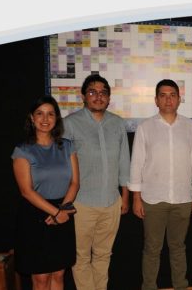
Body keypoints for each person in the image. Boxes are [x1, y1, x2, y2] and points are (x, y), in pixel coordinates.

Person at [129, 79, 192, 290]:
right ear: (156, 100)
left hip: (183, 198)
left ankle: (180, 286)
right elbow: (137, 163)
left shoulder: (190, 127)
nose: (168, 100)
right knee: (152, 249)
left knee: (178, 247)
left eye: (172, 95)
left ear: (179, 99)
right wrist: (136, 198)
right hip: (153, 199)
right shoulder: (145, 127)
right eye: (163, 95)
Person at [63, 74, 131, 290]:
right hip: (81, 204)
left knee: (103, 255)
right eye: (92, 92)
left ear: (109, 98)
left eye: (103, 93)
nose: (98, 96)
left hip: (112, 202)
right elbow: (63, 166)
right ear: (83, 96)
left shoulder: (117, 123)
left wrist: (125, 197)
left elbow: (124, 162)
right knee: (80, 257)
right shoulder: (70, 124)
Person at [12, 95, 79, 290]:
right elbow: (26, 191)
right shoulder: (23, 150)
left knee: (58, 274)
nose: (45, 119)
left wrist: (62, 211)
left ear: (56, 118)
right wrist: (56, 213)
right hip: (35, 216)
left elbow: (75, 183)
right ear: (32, 118)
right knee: (41, 278)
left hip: (63, 211)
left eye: (50, 114)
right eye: (40, 114)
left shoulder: (67, 146)